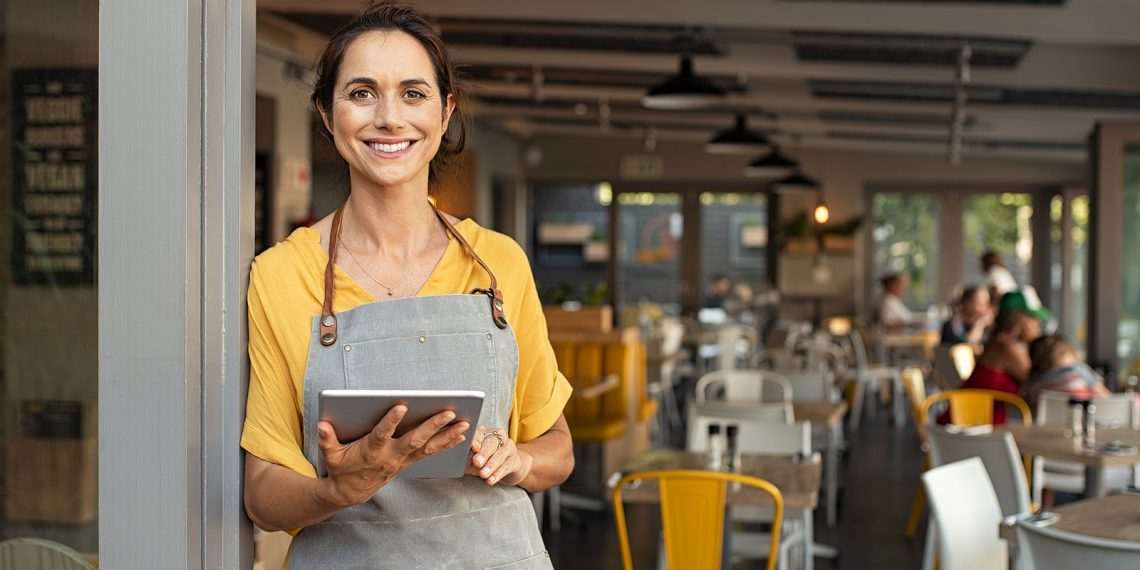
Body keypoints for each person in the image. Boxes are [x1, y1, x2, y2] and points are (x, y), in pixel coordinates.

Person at [240, 5, 572, 567]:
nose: (390, 118)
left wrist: (517, 461)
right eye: (362, 93)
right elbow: (263, 493)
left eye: (414, 94)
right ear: (327, 113)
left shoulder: (497, 265)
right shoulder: (282, 275)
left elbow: (556, 447)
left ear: (445, 114)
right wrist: (338, 490)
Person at [959, 308, 1043, 424]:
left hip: (979, 418)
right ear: (1020, 324)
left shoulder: (1001, 342)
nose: (1038, 329)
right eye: (1034, 324)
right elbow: (1034, 378)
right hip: (972, 421)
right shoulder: (1008, 346)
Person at [1023, 335, 1109, 411]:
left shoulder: (1032, 382)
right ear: (1068, 352)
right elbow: (1106, 398)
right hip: (1081, 423)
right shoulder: (1079, 370)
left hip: (1044, 427)